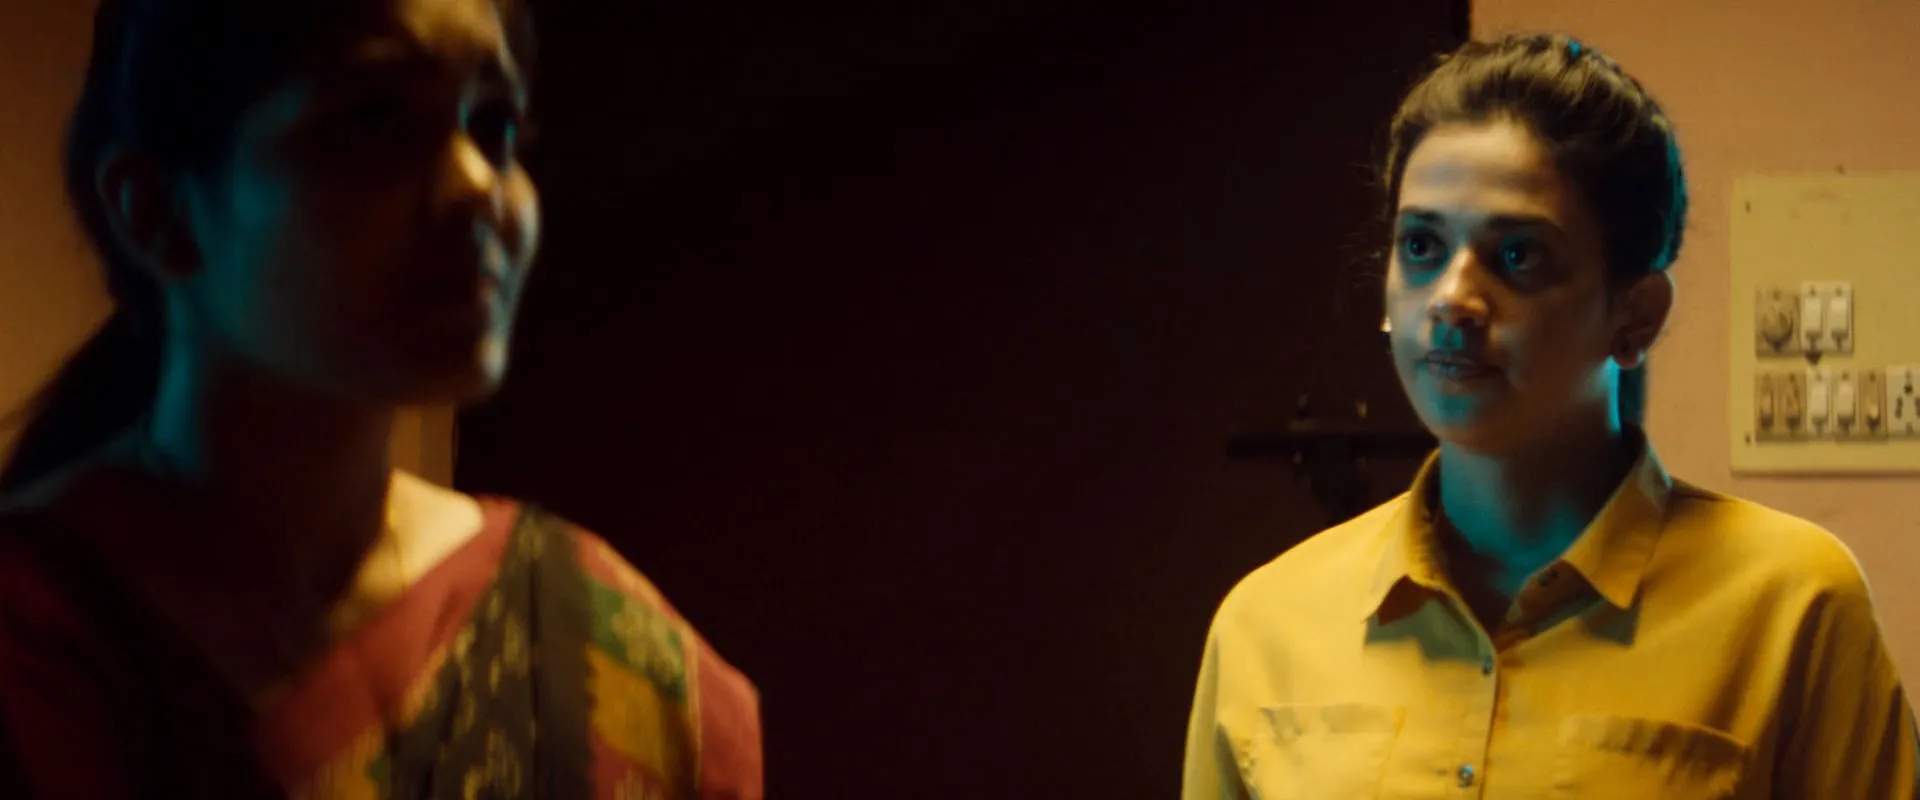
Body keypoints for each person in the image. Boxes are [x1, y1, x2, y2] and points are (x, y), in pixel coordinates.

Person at [0, 0, 762, 796]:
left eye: (495, 127)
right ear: (156, 211)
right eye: (374, 120)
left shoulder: (616, 653)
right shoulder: (36, 644)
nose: (478, 187)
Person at [1182, 34, 1918, 799]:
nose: (1451, 299)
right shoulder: (1267, 624)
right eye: (1422, 245)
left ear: (1635, 315)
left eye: (1518, 256)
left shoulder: (1790, 605)